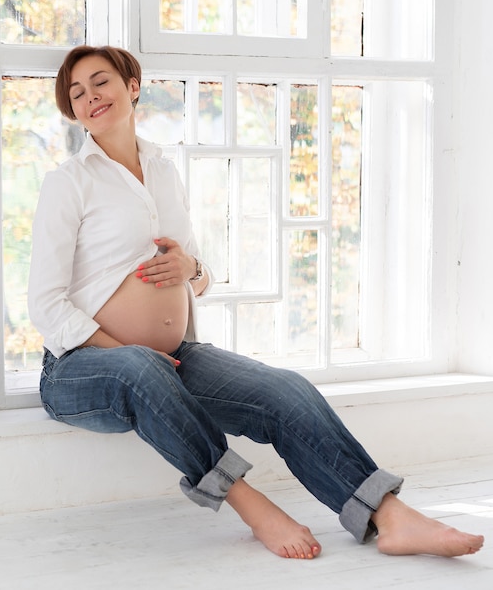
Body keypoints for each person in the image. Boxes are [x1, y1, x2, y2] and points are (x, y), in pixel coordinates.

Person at [28, 45, 484, 560]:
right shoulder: (67, 183)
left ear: (133, 86)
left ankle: (390, 515)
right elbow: (45, 305)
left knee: (284, 391)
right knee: (137, 367)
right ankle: (249, 501)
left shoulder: (162, 172)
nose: (90, 97)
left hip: (172, 359)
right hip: (80, 371)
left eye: (100, 82)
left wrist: (191, 270)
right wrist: (124, 352)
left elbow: (199, 277)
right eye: (77, 92)